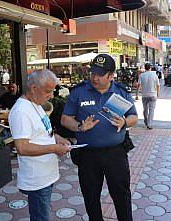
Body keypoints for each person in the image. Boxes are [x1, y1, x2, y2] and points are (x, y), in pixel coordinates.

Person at [61, 54, 138, 221]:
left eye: (99, 75)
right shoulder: (79, 92)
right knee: (90, 195)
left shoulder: (121, 92)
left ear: (111, 75)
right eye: (92, 73)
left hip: (115, 153)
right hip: (88, 154)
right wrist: (80, 127)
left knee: (121, 194)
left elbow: (134, 117)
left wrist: (124, 122)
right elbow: (65, 119)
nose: (94, 78)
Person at [8, 70, 70, 221]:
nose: (51, 95)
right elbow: (22, 147)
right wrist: (54, 148)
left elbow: (41, 132)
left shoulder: (35, 103)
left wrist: (57, 138)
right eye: (48, 91)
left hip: (45, 175)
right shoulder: (21, 111)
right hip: (37, 180)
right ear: (34, 88)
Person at [138, 63, 160, 129]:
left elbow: (139, 85)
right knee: (151, 110)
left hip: (144, 95)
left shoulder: (141, 75)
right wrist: (157, 93)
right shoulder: (154, 75)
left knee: (145, 109)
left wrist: (137, 94)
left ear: (145, 68)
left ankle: (145, 120)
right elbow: (158, 85)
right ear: (150, 68)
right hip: (153, 94)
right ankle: (149, 124)